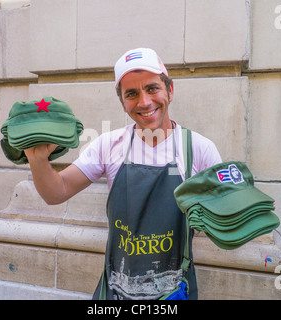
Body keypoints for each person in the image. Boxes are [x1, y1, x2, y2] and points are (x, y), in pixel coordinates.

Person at [25, 48, 222, 300]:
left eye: (152, 88)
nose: (144, 102)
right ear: (122, 103)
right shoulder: (108, 145)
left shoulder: (199, 149)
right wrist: (37, 159)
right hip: (116, 293)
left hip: (173, 294)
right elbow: (57, 192)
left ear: (170, 91)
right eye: (132, 94)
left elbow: (223, 223)